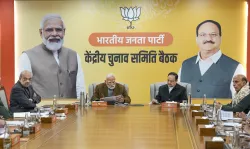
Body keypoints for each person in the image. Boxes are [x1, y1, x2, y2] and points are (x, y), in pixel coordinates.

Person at [18, 14, 85, 99]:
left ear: (64, 32)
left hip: (71, 110)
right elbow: (24, 91)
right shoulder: (27, 57)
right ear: (41, 32)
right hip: (40, 111)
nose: (54, 34)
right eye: (49, 30)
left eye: (58, 30)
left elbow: (80, 88)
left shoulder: (74, 55)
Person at [178, 20, 245, 98]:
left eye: (213, 34)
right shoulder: (185, 65)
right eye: (203, 35)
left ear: (220, 38)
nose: (208, 38)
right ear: (197, 39)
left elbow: (241, 103)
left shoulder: (235, 67)